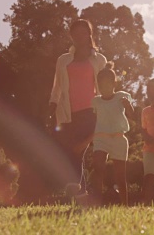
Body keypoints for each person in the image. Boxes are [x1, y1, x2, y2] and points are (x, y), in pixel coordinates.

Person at [48, 19, 107, 196]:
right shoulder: (63, 60)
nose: (80, 37)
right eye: (76, 33)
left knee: (78, 150)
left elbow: (105, 87)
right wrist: (51, 108)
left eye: (84, 33)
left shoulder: (99, 60)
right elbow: (57, 87)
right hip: (67, 113)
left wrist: (108, 109)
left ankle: (73, 186)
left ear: (89, 35)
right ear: (71, 36)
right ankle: (81, 194)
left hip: (91, 112)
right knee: (71, 152)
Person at [87, 62, 134, 206]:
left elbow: (132, 115)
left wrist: (128, 106)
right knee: (98, 168)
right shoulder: (96, 101)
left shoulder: (121, 97)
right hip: (101, 138)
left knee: (120, 176)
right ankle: (97, 203)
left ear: (114, 84)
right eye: (100, 85)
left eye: (107, 84)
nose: (104, 88)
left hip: (118, 138)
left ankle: (124, 204)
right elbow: (92, 120)